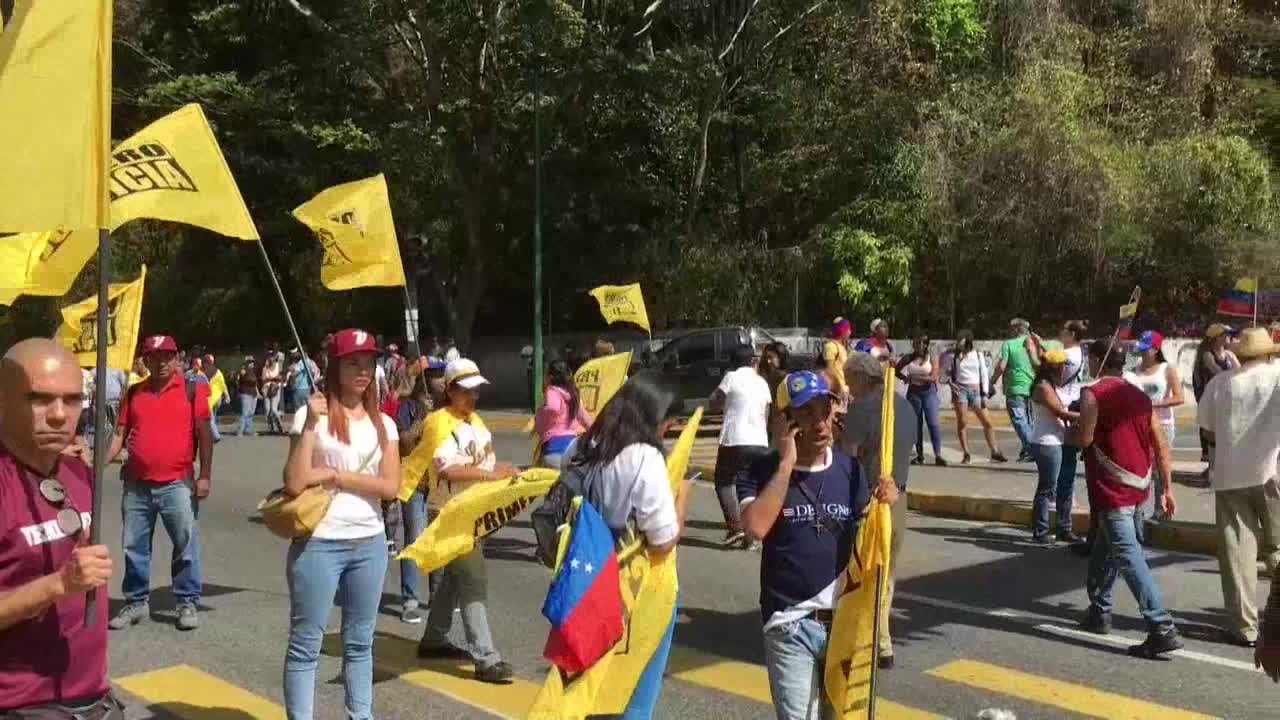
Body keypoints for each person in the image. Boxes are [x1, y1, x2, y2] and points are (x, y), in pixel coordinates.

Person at [739, 371, 892, 719]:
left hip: (845, 621)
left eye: (825, 411)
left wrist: (885, 502)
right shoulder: (758, 469)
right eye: (806, 413)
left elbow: (866, 540)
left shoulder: (850, 470)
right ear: (783, 420)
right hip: (790, 622)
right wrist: (786, 464)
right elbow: (756, 528)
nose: (820, 423)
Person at [282, 328, 400, 720]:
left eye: (368, 361)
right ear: (335, 366)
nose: (363, 369)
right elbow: (295, 482)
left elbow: (390, 487)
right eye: (353, 362)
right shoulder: (309, 415)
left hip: (369, 543)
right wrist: (311, 427)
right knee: (306, 644)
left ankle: (360, 715)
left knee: (360, 643)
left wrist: (335, 476)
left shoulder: (384, 423)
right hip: (319, 542)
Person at [560, 372, 693, 717]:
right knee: (633, 696)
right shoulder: (643, 458)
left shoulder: (581, 447)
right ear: (652, 416)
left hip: (586, 581)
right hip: (639, 588)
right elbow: (663, 540)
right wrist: (682, 500)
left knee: (590, 689)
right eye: (667, 423)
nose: (667, 431)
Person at [0, 340, 122, 717]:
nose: (58, 415)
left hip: (94, 699)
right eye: (39, 399)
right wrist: (58, 585)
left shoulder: (78, 473)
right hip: (22, 706)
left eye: (71, 400)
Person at [1070, 337, 1183, 658]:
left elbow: (1085, 439)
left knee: (1128, 556)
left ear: (1095, 360)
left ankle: (1161, 626)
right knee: (1104, 551)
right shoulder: (1139, 396)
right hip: (1139, 487)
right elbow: (1160, 444)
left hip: (1112, 488)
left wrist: (1071, 430)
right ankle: (1099, 610)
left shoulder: (1093, 394)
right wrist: (1168, 488)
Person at [415, 359, 516, 683]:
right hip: (450, 514)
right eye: (466, 389)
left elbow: (481, 461)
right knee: (473, 579)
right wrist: (490, 474)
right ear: (450, 389)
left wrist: (502, 472)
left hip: (473, 512)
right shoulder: (438, 423)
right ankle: (486, 659)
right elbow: (446, 470)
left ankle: (433, 640)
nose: (473, 395)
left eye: (476, 389)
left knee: (453, 581)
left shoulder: (475, 421)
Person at [106, 335, 213, 633]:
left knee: (185, 545)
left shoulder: (192, 389)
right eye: (154, 357)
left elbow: (204, 434)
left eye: (167, 356)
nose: (161, 362)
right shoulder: (135, 392)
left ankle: (186, 601)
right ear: (145, 361)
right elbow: (119, 436)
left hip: (177, 484)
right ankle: (136, 602)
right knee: (134, 547)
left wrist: (204, 475)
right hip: (136, 486)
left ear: (177, 357)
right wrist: (96, 462)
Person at [1196, 327, 1280, 648]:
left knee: (1237, 555)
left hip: (1231, 475)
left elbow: (1210, 431)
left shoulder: (1220, 384)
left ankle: (1245, 628)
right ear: (1269, 352)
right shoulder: (1276, 375)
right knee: (1276, 548)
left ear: (1240, 355)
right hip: (1273, 471)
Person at [842, 352, 913, 670]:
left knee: (864, 573)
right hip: (899, 499)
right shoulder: (904, 404)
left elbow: (847, 458)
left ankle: (870, 642)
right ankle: (882, 642)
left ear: (860, 378)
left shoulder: (860, 409)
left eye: (848, 379)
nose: (847, 386)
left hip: (868, 501)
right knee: (887, 575)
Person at [394, 360, 448, 624]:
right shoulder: (407, 407)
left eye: (444, 377)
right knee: (415, 539)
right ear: (424, 380)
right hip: (415, 483)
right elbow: (403, 444)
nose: (442, 382)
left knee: (437, 538)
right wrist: (420, 418)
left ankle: (438, 595)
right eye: (437, 377)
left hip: (440, 483)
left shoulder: (447, 409)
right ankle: (410, 600)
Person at [709, 346, 772, 548]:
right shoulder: (762, 381)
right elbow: (767, 411)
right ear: (752, 361)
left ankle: (735, 527)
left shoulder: (731, 377)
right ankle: (751, 533)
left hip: (734, 439)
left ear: (733, 362)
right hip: (760, 441)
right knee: (750, 486)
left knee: (724, 481)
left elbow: (715, 403)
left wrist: (718, 402)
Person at [1124, 331, 1184, 520]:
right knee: (1141, 469)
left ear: (1156, 349)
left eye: (1146, 349)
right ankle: (1138, 511)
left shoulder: (1167, 369)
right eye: (1140, 349)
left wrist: (1153, 404)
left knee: (1160, 469)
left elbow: (1179, 397)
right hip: (1139, 425)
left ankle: (1162, 509)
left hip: (1163, 424)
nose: (1142, 353)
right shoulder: (1134, 370)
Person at [1029, 349, 1081, 545]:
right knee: (1047, 489)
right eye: (1063, 366)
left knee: (1062, 487)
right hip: (1047, 443)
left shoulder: (1053, 385)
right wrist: (1089, 415)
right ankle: (1040, 531)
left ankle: (1063, 529)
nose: (1065, 370)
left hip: (1060, 441)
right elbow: (1061, 413)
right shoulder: (1043, 388)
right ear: (1056, 367)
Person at [943, 330, 1006, 464]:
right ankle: (966, 453)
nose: (958, 342)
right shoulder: (953, 356)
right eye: (958, 339)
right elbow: (944, 374)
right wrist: (951, 383)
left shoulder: (977, 355)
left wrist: (984, 394)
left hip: (976, 390)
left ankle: (994, 450)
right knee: (963, 422)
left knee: (987, 422)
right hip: (961, 390)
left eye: (961, 339)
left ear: (968, 340)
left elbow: (983, 374)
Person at [1193, 323, 1240, 474]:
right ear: (1217, 338)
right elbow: (1218, 372)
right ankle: (1212, 468)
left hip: (1226, 398)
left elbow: (1240, 371)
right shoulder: (1207, 354)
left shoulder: (1229, 354)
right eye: (1226, 335)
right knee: (1212, 434)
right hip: (1211, 399)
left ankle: (1219, 466)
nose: (1229, 338)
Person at [992, 318, 1039, 462]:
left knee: (1019, 419)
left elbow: (1001, 366)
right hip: (1032, 386)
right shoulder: (1033, 343)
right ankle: (1027, 450)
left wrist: (991, 382)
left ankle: (1033, 450)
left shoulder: (1009, 344)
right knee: (1029, 420)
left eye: (1011, 328)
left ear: (1016, 329)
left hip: (1015, 387)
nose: (1009, 331)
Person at [896, 334, 946, 466]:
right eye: (914, 343)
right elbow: (896, 370)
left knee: (933, 423)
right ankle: (920, 455)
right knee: (916, 425)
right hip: (914, 393)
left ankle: (938, 455)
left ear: (925, 345)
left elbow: (933, 377)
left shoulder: (932, 357)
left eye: (919, 343)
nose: (916, 345)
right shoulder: (909, 358)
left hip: (929, 392)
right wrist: (904, 378)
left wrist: (913, 378)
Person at [533, 359, 592, 470]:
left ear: (550, 377)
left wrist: (540, 415)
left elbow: (553, 407)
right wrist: (596, 432)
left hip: (554, 449)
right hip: (572, 449)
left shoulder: (552, 391)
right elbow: (585, 418)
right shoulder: (573, 394)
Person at [820, 317, 852, 404]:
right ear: (843, 331)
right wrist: (838, 389)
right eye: (848, 329)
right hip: (834, 391)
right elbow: (829, 370)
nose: (850, 332)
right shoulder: (831, 346)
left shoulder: (842, 347)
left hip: (842, 390)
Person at [203, 354, 229, 444]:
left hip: (209, 399)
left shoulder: (203, 372)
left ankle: (216, 435)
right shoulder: (218, 372)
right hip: (218, 399)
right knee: (212, 416)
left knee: (210, 418)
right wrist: (227, 395)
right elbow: (223, 384)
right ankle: (212, 434)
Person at [285, 350, 318, 414]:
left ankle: (300, 421)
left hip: (299, 388)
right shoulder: (311, 362)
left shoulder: (301, 363)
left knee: (299, 408)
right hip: (307, 387)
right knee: (306, 407)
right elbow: (315, 372)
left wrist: (291, 382)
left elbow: (294, 374)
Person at [235, 356, 260, 437]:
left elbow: (255, 384)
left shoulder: (253, 372)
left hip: (253, 394)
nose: (251, 363)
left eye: (252, 362)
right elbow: (238, 381)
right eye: (249, 362)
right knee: (245, 413)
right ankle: (240, 430)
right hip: (245, 393)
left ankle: (249, 430)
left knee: (251, 413)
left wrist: (258, 393)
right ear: (246, 363)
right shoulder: (243, 371)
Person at [261, 352, 285, 434]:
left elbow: (281, 377)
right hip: (266, 388)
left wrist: (272, 379)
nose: (271, 359)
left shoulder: (278, 366)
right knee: (267, 411)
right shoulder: (265, 368)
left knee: (274, 410)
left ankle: (280, 426)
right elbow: (263, 379)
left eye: (272, 357)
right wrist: (273, 378)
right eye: (269, 357)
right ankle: (271, 428)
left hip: (275, 389)